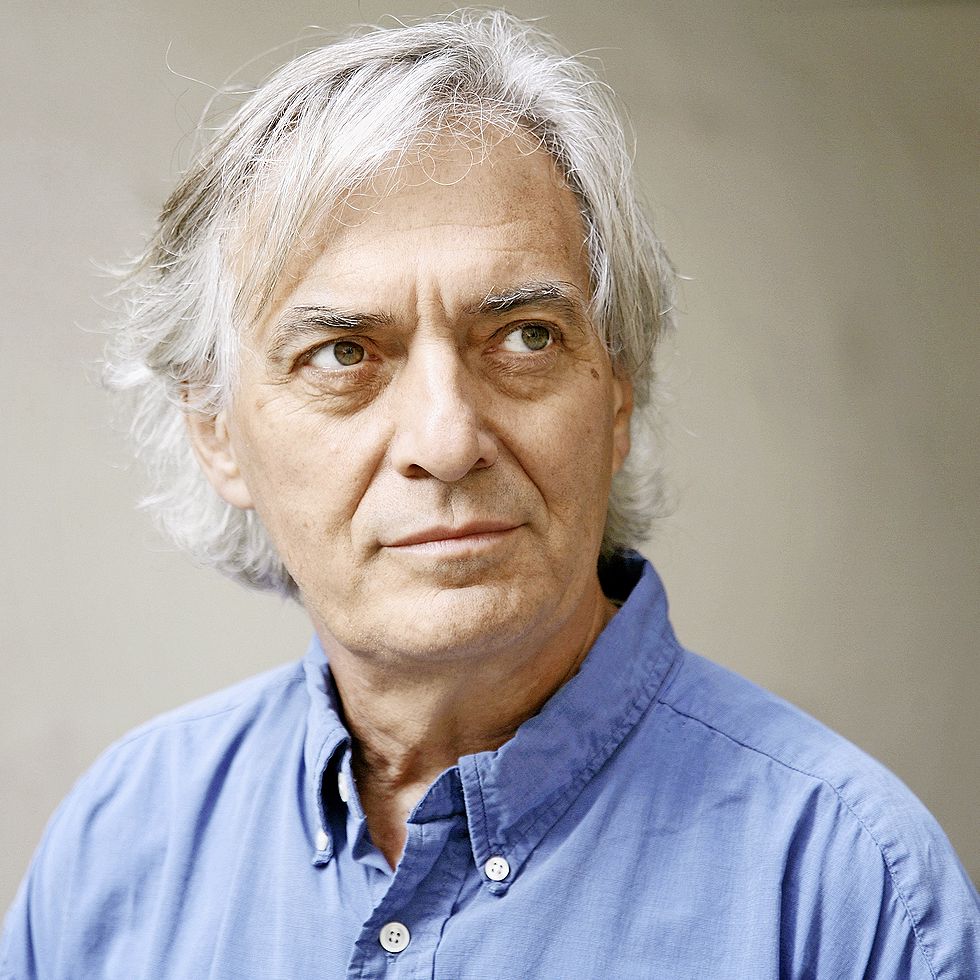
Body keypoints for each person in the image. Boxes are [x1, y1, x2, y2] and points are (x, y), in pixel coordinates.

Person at [1, 10, 976, 979]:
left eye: (524, 337)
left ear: (619, 392)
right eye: (341, 353)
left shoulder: (854, 896)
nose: (445, 440)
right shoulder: (119, 846)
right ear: (215, 429)